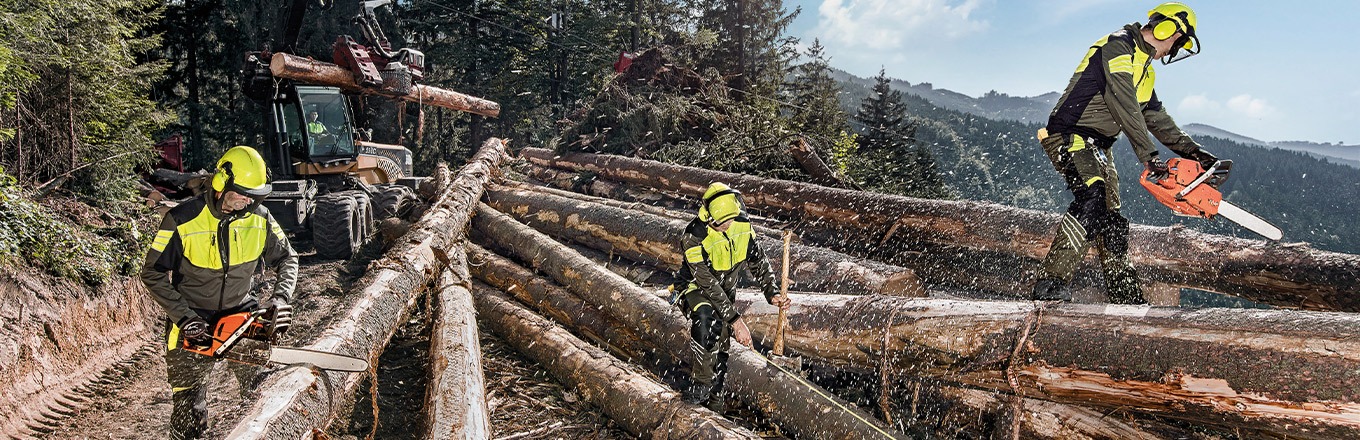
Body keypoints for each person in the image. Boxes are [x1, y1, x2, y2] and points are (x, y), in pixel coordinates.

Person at [1033, 2, 1220, 304]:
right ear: (1166, 28)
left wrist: (1197, 154)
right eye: (1178, 40)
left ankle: (1123, 293)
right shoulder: (1118, 46)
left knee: (1112, 220)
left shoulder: (1146, 72)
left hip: (1099, 147)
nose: (1174, 48)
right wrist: (1148, 154)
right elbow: (1123, 101)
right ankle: (1050, 283)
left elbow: (1156, 118)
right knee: (1091, 197)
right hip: (1071, 135)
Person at [140, 146, 298, 439]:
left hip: (241, 314)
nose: (247, 201)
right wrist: (183, 317)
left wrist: (280, 297)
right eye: (241, 193)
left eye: (254, 195)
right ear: (220, 182)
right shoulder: (182, 219)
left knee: (261, 390)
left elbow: (288, 258)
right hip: (193, 319)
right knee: (189, 409)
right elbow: (151, 272)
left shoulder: (260, 218)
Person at [671, 182, 791, 411]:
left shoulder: (742, 225)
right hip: (694, 287)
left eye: (725, 222)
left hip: (726, 291)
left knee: (721, 348)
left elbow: (757, 260)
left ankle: (715, 406)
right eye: (717, 224)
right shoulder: (693, 236)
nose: (722, 227)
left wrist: (772, 292)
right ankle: (700, 384)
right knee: (707, 318)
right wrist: (737, 322)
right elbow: (707, 284)